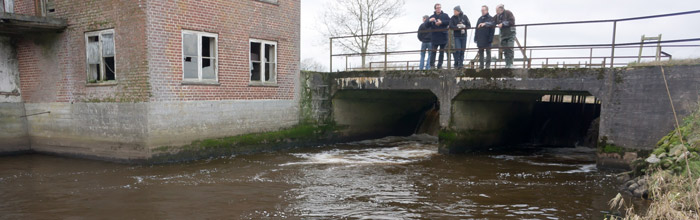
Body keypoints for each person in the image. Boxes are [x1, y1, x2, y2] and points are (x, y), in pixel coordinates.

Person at [426, 3, 450, 69]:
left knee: (441, 52)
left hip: (443, 36)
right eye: (437, 8)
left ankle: (439, 65)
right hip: (435, 37)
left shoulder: (445, 15)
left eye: (440, 7)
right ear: (435, 9)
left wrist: (441, 22)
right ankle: (432, 65)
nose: (439, 9)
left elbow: (449, 22)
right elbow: (426, 25)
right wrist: (429, 20)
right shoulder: (432, 17)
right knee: (433, 52)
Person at [493, 4, 516, 68]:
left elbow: (512, 21)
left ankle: (510, 64)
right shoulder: (496, 16)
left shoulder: (508, 13)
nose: (496, 12)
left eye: (497, 10)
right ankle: (507, 64)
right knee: (505, 50)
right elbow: (492, 22)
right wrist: (485, 24)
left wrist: (503, 24)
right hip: (503, 35)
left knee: (510, 48)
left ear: (501, 9)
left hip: (510, 34)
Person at [475, 5, 495, 69]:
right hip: (480, 39)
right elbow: (476, 29)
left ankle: (487, 66)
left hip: (487, 38)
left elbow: (492, 30)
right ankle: (481, 66)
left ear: (487, 10)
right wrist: (475, 38)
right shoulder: (479, 19)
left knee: (488, 53)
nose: (482, 12)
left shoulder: (491, 18)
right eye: (481, 10)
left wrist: (490, 39)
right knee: (481, 53)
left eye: (483, 10)